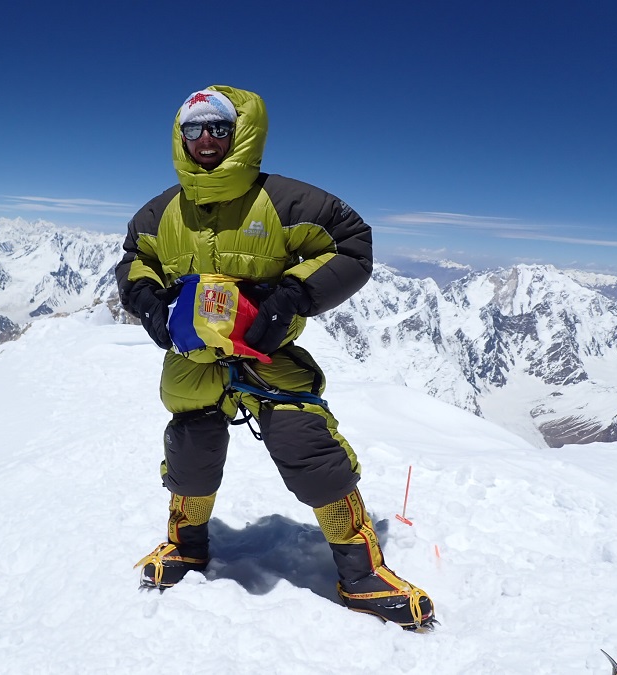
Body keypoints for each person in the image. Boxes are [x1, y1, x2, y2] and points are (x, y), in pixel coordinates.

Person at [115, 85, 435, 629]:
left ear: (239, 132)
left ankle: (361, 573)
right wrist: (146, 302)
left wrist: (288, 298)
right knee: (191, 448)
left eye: (218, 126)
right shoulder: (160, 211)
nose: (207, 138)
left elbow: (352, 243)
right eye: (194, 129)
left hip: (264, 348)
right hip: (194, 354)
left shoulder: (285, 201)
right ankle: (185, 546)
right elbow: (134, 259)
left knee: (305, 442)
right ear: (180, 136)